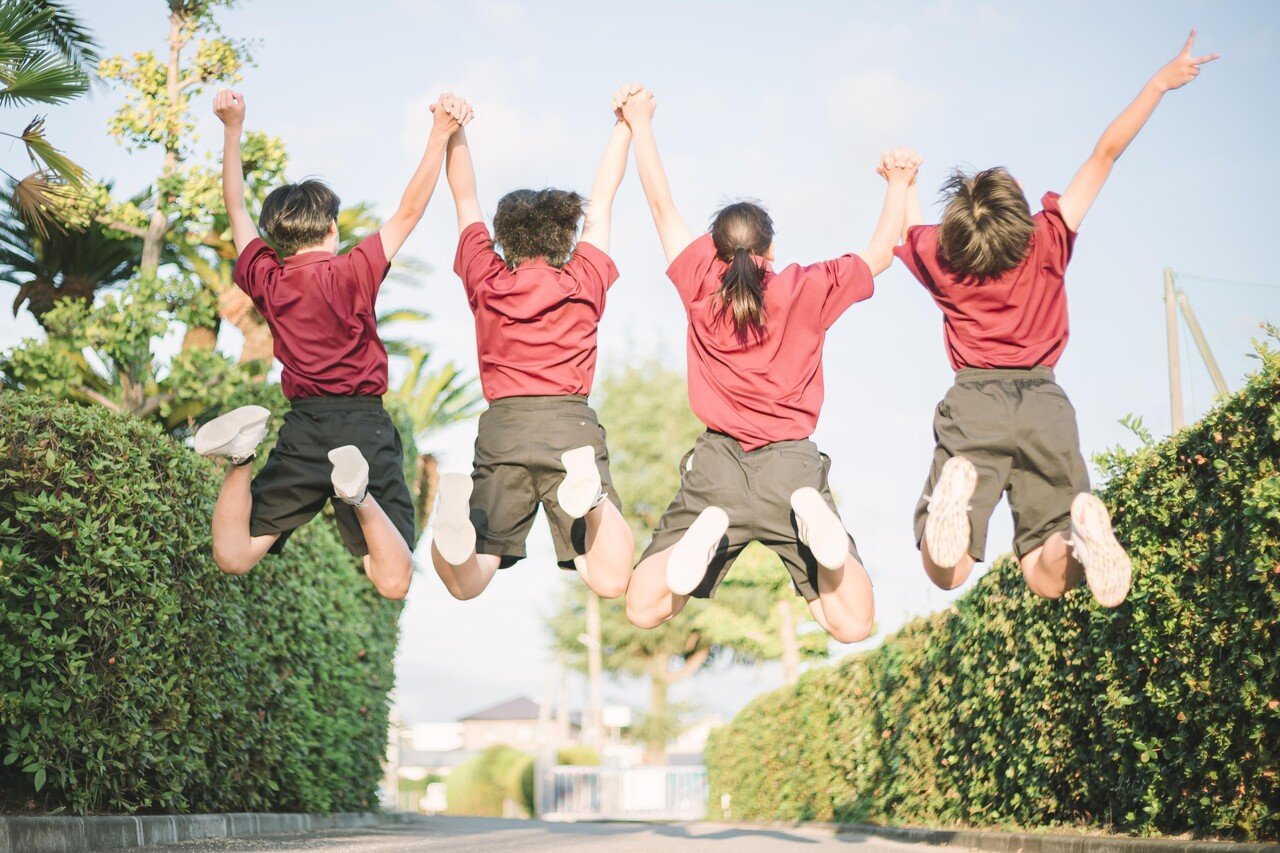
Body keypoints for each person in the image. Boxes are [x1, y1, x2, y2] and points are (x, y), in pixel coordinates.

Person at [896, 31, 1219, 608]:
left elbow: (910, 232)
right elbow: (1105, 154)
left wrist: (906, 182)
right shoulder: (1049, 238)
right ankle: (1076, 536)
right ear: (1018, 210)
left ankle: (952, 522)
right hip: (1046, 405)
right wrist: (1159, 83)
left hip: (974, 404)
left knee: (948, 571)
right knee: (1046, 575)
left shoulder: (946, 261)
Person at [618, 85, 919, 643]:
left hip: (718, 469)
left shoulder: (699, 283)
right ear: (771, 249)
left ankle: (696, 546)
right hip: (791, 471)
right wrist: (899, 184)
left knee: (643, 607)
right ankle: (822, 543)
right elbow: (882, 253)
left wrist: (640, 123)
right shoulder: (807, 286)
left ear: (714, 250)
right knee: (851, 624)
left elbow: (662, 206)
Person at [193, 88, 471, 599]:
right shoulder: (353, 271)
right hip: (363, 425)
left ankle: (241, 457)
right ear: (332, 227)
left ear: (277, 236)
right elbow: (410, 210)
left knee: (234, 556)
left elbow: (235, 206)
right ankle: (358, 494)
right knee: (392, 580)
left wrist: (232, 129)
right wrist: (439, 134)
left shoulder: (268, 279)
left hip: (303, 430)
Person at [429, 86, 639, 601]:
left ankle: (450, 526)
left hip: (504, 426)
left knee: (469, 580)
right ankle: (591, 502)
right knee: (610, 580)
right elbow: (603, 199)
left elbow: (464, 198)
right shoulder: (584, 276)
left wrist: (454, 130)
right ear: (565, 234)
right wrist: (624, 126)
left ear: (504, 236)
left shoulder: (486, 276)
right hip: (569, 424)